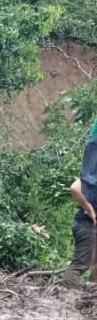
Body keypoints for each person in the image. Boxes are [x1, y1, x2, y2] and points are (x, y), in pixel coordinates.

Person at [64, 122, 97, 288]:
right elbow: (74, 189)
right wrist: (90, 210)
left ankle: (84, 303)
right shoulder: (89, 177)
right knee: (79, 266)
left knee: (94, 269)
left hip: (86, 223)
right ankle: (66, 302)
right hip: (86, 223)